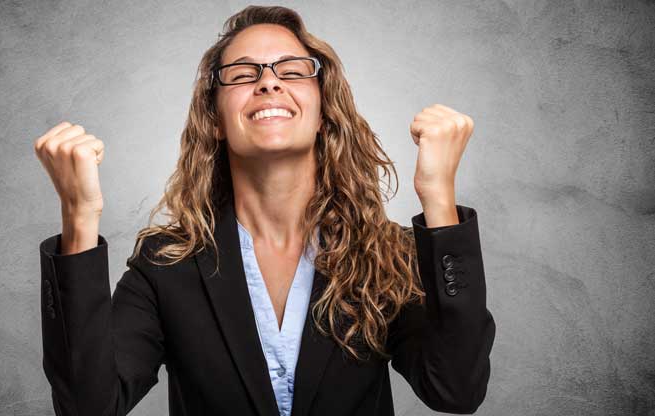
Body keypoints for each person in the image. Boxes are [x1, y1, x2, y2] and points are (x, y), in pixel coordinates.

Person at [34, 5, 495, 416]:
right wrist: (79, 216)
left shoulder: (384, 253)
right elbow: (87, 407)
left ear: (323, 113)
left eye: (292, 71)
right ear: (214, 119)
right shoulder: (165, 263)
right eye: (242, 73)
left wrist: (438, 197)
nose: (268, 81)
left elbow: (455, 390)